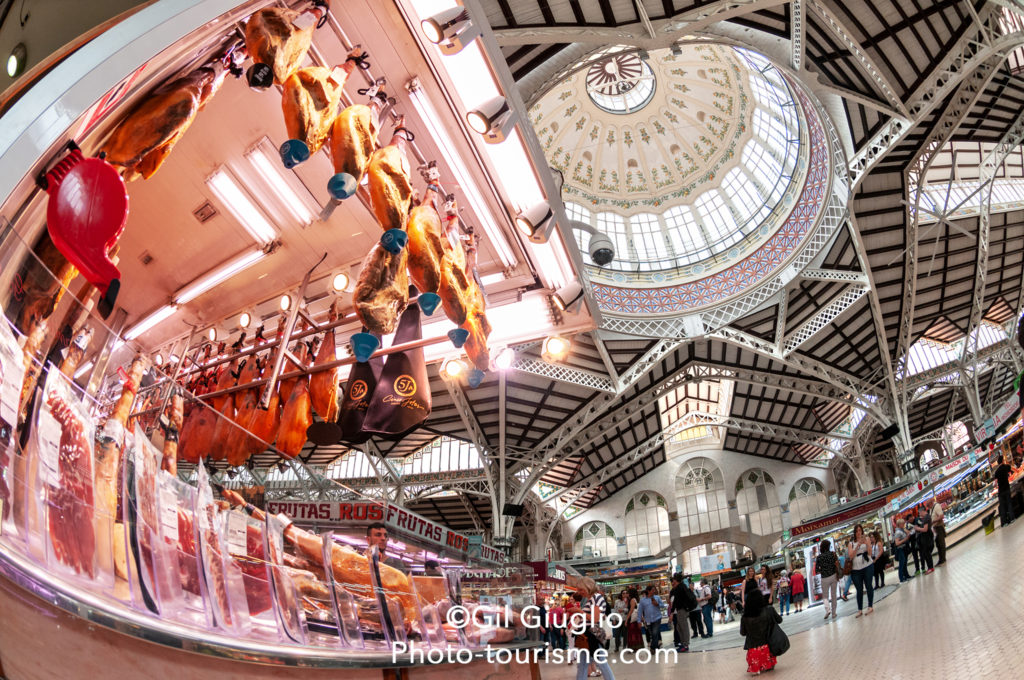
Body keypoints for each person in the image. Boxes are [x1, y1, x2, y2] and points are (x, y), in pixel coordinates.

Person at [573, 578, 615, 680]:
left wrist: (579, 611)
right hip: (587, 635)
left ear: (588, 587)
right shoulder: (592, 599)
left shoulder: (596, 598)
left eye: (581, 589)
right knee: (583, 664)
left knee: (600, 663)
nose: (579, 592)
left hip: (591, 635)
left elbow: (595, 619)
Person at [740, 590, 782, 675]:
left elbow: (743, 633)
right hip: (769, 650)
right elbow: (779, 620)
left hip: (753, 652)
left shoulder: (745, 617)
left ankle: (757, 669)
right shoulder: (769, 610)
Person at [848, 524, 874, 617]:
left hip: (867, 565)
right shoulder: (851, 543)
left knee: (868, 585)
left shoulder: (866, 539)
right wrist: (858, 545)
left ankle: (870, 606)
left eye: (860, 530)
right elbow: (851, 556)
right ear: (854, 533)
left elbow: (870, 553)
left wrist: (866, 544)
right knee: (859, 589)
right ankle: (859, 609)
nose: (859, 532)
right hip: (856, 568)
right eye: (857, 531)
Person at [669, 574, 694, 653]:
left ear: (676, 580)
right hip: (680, 609)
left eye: (673, 580)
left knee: (683, 627)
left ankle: (685, 645)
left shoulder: (680, 587)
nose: (672, 582)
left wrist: (672, 612)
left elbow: (676, 601)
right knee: (679, 627)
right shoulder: (680, 587)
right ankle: (684, 644)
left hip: (682, 610)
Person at [815, 538, 839, 621]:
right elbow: (836, 563)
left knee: (825, 596)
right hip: (833, 576)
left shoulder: (819, 557)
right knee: (833, 595)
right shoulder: (832, 554)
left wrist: (822, 570)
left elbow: (816, 570)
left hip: (824, 578)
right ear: (828, 546)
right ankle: (834, 613)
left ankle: (828, 609)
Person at [638, 586, 663, 652]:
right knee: (652, 634)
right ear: (648, 591)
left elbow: (663, 605)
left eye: (654, 590)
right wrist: (639, 621)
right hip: (648, 620)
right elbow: (640, 611)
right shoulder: (642, 600)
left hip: (657, 618)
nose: (654, 591)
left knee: (655, 633)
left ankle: (652, 648)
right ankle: (656, 646)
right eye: (652, 590)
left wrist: (657, 604)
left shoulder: (657, 597)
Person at [912, 505, 934, 574]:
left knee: (927, 553)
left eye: (919, 512)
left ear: (922, 511)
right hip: (925, 538)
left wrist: (917, 528)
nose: (919, 514)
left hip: (926, 538)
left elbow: (925, 529)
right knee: (925, 553)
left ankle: (930, 567)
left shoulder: (926, 518)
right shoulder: (926, 518)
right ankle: (930, 567)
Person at [995, 455, 1015, 527]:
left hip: (1001, 491)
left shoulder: (996, 472)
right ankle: (1012, 518)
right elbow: (1011, 470)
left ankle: (1004, 522)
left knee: (1003, 506)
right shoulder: (1006, 467)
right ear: (1003, 461)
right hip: (1006, 488)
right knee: (1009, 503)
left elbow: (995, 483)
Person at [893, 518, 911, 582]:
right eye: (902, 524)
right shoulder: (898, 532)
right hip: (900, 549)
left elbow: (909, 533)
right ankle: (901, 578)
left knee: (904, 563)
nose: (904, 525)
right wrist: (905, 539)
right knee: (902, 564)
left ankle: (906, 575)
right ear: (899, 524)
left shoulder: (902, 530)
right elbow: (897, 543)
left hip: (903, 548)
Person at [931, 500, 947, 565]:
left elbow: (941, 516)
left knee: (941, 544)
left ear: (931, 503)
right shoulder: (931, 509)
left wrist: (934, 521)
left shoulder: (936, 506)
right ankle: (941, 559)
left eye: (928, 505)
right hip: (935, 528)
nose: (928, 507)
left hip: (939, 527)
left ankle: (943, 558)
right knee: (938, 544)